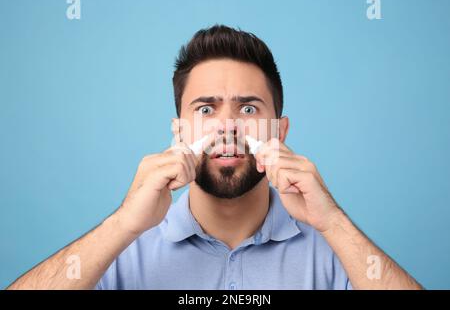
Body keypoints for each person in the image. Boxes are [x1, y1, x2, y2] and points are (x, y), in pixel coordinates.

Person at [7, 25, 422, 290]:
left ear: (279, 131)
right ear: (179, 131)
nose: (227, 127)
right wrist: (122, 224)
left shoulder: (334, 252)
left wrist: (332, 221)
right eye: (205, 109)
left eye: (248, 109)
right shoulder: (121, 252)